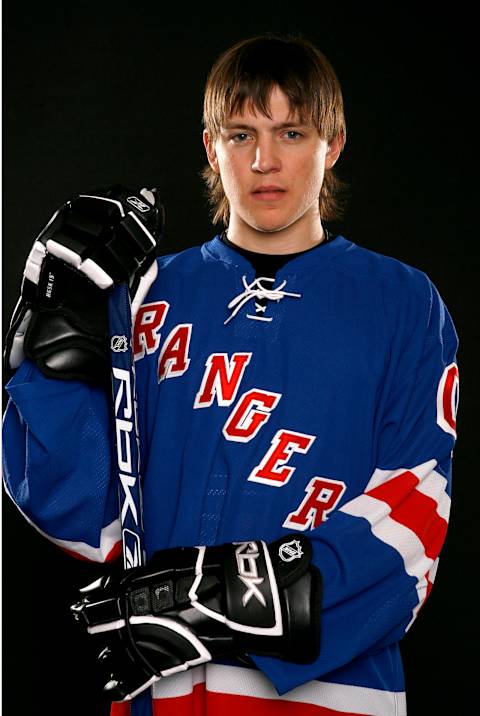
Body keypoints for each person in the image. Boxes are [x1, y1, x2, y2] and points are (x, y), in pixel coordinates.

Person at [3, 33, 460, 716]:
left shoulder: (403, 302)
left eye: (292, 132)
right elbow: (85, 517)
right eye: (240, 133)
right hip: (160, 693)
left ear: (332, 143)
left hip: (327, 697)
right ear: (210, 146)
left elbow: (416, 519)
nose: (264, 160)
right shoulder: (146, 294)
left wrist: (226, 598)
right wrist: (47, 351)